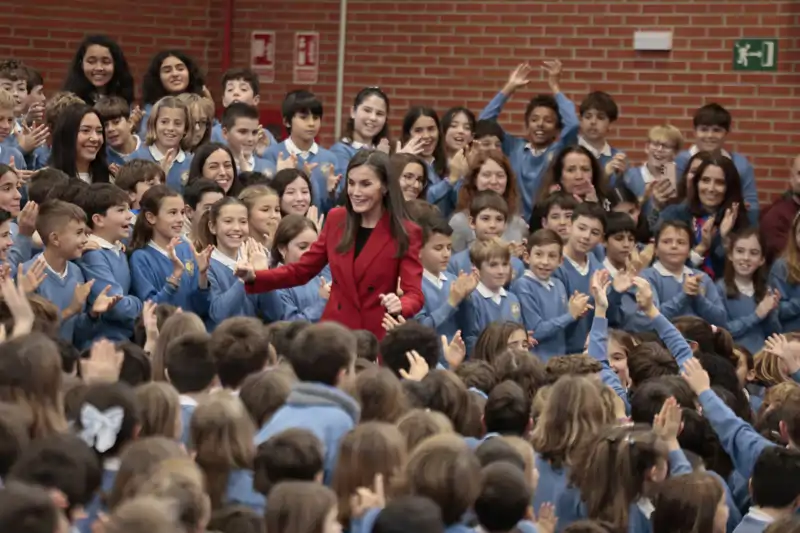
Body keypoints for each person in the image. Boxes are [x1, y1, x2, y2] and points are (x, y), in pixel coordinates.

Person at [237, 150, 423, 340]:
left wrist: (401, 304)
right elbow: (301, 271)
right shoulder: (336, 219)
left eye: (365, 184)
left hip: (374, 334)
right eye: (351, 183)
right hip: (334, 333)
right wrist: (256, 277)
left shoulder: (406, 232)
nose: (356, 192)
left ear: (384, 187)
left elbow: (414, 293)